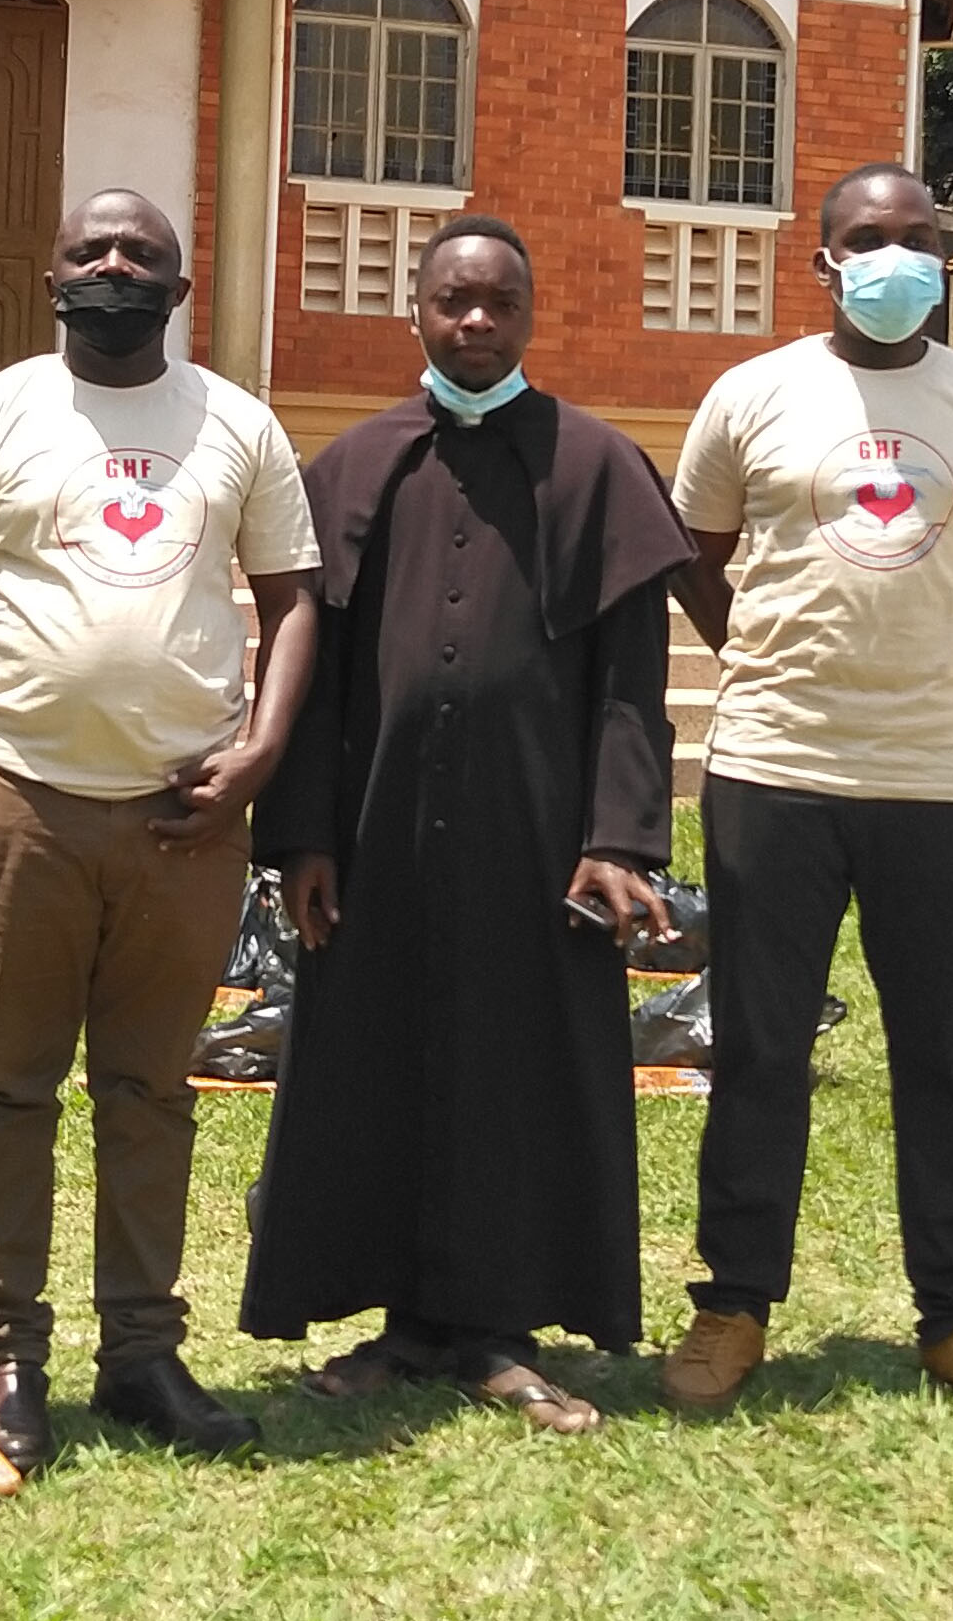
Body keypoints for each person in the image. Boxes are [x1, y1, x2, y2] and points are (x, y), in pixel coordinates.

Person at [0, 189, 321, 1476]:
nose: (116, 267)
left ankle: (141, 1353)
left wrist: (262, 749)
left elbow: (295, 600)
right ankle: (7, 1356)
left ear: (180, 290)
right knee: (11, 1086)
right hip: (24, 799)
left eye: (143, 255)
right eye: (92, 251)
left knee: (151, 1091)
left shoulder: (238, 424)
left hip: (187, 816)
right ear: (53, 276)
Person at [240, 216, 689, 1434]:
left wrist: (619, 839)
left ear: (530, 315)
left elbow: (631, 684)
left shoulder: (597, 467)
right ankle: (402, 1325)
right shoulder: (354, 467)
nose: (476, 321)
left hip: (538, 842)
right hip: (377, 837)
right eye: (454, 301)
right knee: (373, 1067)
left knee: (518, 1072)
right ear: (418, 311)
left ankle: (499, 1329)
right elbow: (312, 678)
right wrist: (303, 837)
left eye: (499, 303)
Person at [658, 162, 953, 1418]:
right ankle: (733, 1307)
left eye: (917, 237)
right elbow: (694, 553)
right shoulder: (752, 394)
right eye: (868, 238)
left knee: (941, 1058)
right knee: (760, 1051)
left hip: (941, 777)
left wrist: (940, 671)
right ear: (823, 260)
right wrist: (763, 656)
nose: (896, 256)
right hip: (776, 766)